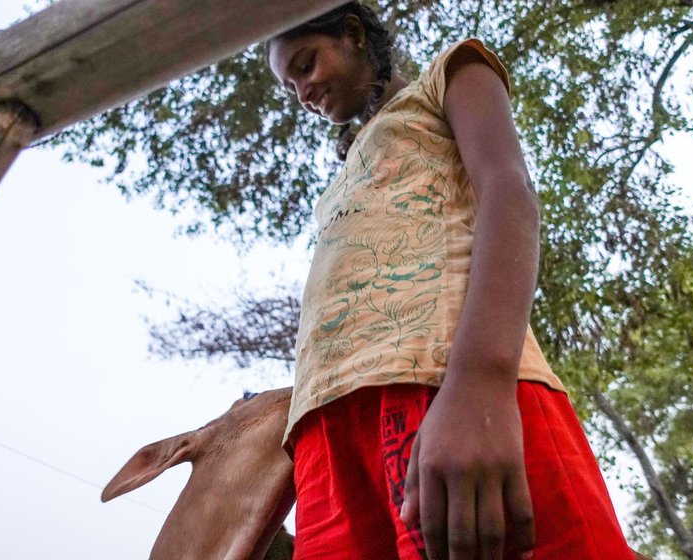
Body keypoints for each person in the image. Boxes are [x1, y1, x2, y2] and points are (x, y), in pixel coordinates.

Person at [266, 3, 635, 560]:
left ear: (352, 33)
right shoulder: (346, 170)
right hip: (328, 431)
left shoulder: (448, 76)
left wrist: (480, 382)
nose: (303, 92)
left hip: (441, 382)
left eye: (306, 63)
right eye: (289, 84)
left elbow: (509, 193)